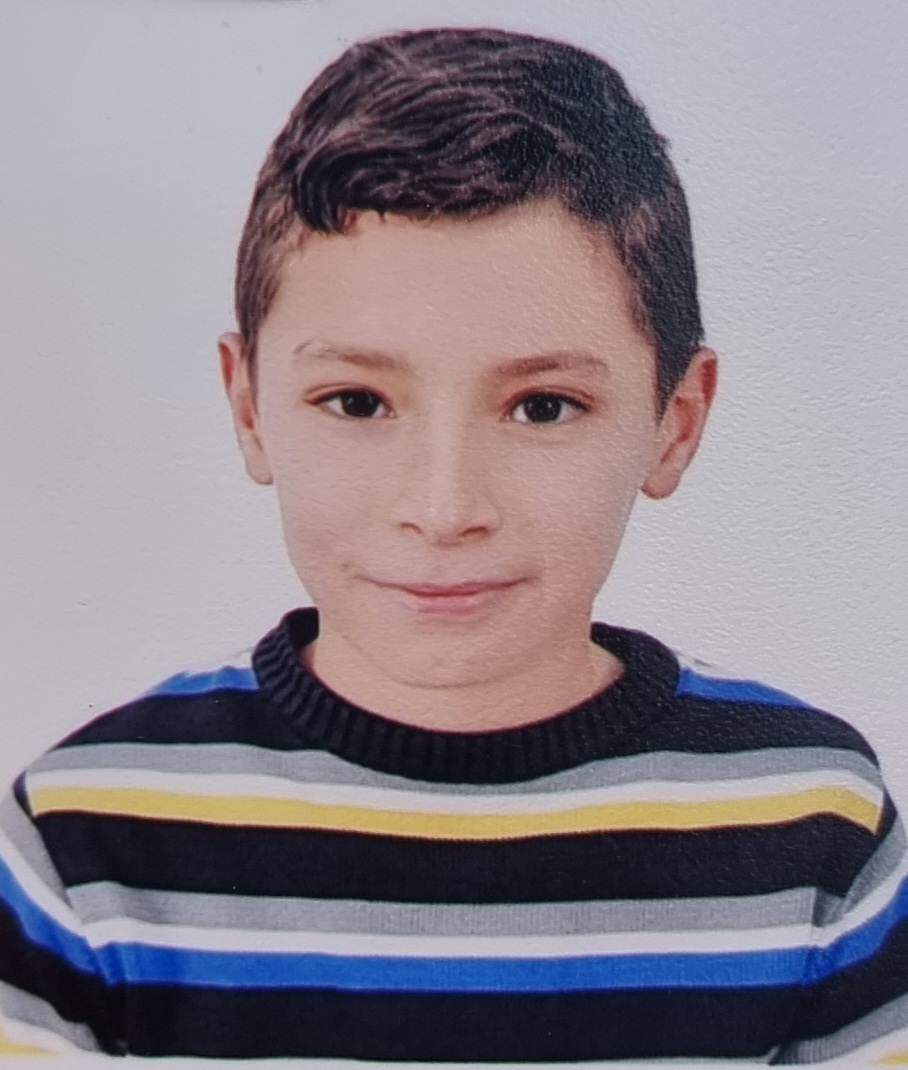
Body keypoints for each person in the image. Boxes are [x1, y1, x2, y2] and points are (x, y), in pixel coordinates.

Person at [1, 24, 905, 1064]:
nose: (443, 507)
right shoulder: (80, 849)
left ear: (675, 421)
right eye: (356, 401)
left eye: (543, 407)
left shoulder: (811, 827)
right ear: (248, 407)